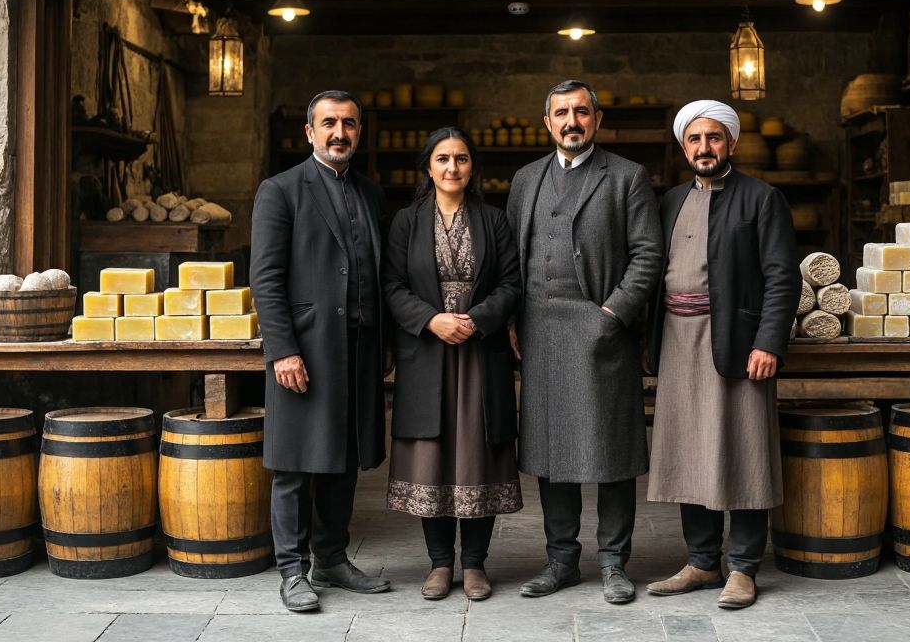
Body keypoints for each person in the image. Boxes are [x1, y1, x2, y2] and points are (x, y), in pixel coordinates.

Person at [506, 79, 663, 604]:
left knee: (611, 453)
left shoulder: (626, 177)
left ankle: (616, 564)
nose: (571, 121)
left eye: (580, 112)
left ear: (597, 119)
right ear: (546, 122)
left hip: (602, 333)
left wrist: (612, 314)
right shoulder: (525, 180)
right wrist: (510, 318)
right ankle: (561, 561)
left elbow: (648, 256)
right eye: (561, 113)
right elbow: (511, 261)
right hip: (539, 333)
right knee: (552, 452)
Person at [644, 100, 800, 610]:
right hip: (677, 339)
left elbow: (782, 275)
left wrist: (768, 341)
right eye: (694, 139)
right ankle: (702, 562)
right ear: (682, 146)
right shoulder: (667, 202)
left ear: (730, 143)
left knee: (744, 450)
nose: (704, 147)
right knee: (689, 451)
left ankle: (744, 569)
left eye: (714, 137)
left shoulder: (761, 198)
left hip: (736, 340)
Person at [251, 90, 391, 612]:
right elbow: (265, 278)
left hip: (358, 347)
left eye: (349, 124)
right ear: (309, 132)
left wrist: (385, 344)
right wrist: (282, 350)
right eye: (329, 124)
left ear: (359, 131)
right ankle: (292, 570)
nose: (340, 133)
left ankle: (330, 559)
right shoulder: (281, 190)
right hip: (304, 350)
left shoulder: (372, 194)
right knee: (294, 464)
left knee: (344, 459)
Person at [383, 127, 524, 601]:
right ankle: (441, 564)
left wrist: (477, 319)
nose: (452, 167)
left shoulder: (494, 220)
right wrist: (431, 320)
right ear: (428, 166)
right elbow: (392, 287)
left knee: (477, 453)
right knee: (433, 455)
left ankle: (476, 564)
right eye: (442, 158)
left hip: (480, 353)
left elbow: (510, 284)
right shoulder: (406, 221)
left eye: (461, 159)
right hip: (427, 351)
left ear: (471, 167)